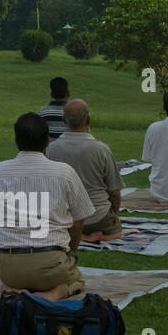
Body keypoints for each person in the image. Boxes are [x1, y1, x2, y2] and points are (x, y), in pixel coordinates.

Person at [0, 113, 94, 301]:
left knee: (15, 279)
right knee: (76, 279)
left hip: (8, 268)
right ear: (47, 140)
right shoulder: (64, 172)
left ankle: (13, 289)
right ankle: (57, 293)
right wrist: (70, 251)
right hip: (50, 265)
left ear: (16, 141)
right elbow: (78, 222)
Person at [46, 99, 122, 241]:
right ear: (88, 119)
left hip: (66, 217)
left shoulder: (52, 150)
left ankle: (78, 236)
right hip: (98, 217)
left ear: (64, 120)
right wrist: (114, 214)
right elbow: (114, 192)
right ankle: (91, 237)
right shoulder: (101, 149)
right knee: (117, 234)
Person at [38, 77, 70, 141]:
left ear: (51, 93)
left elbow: (40, 135)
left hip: (50, 149)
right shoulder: (74, 112)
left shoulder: (43, 112)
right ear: (68, 93)